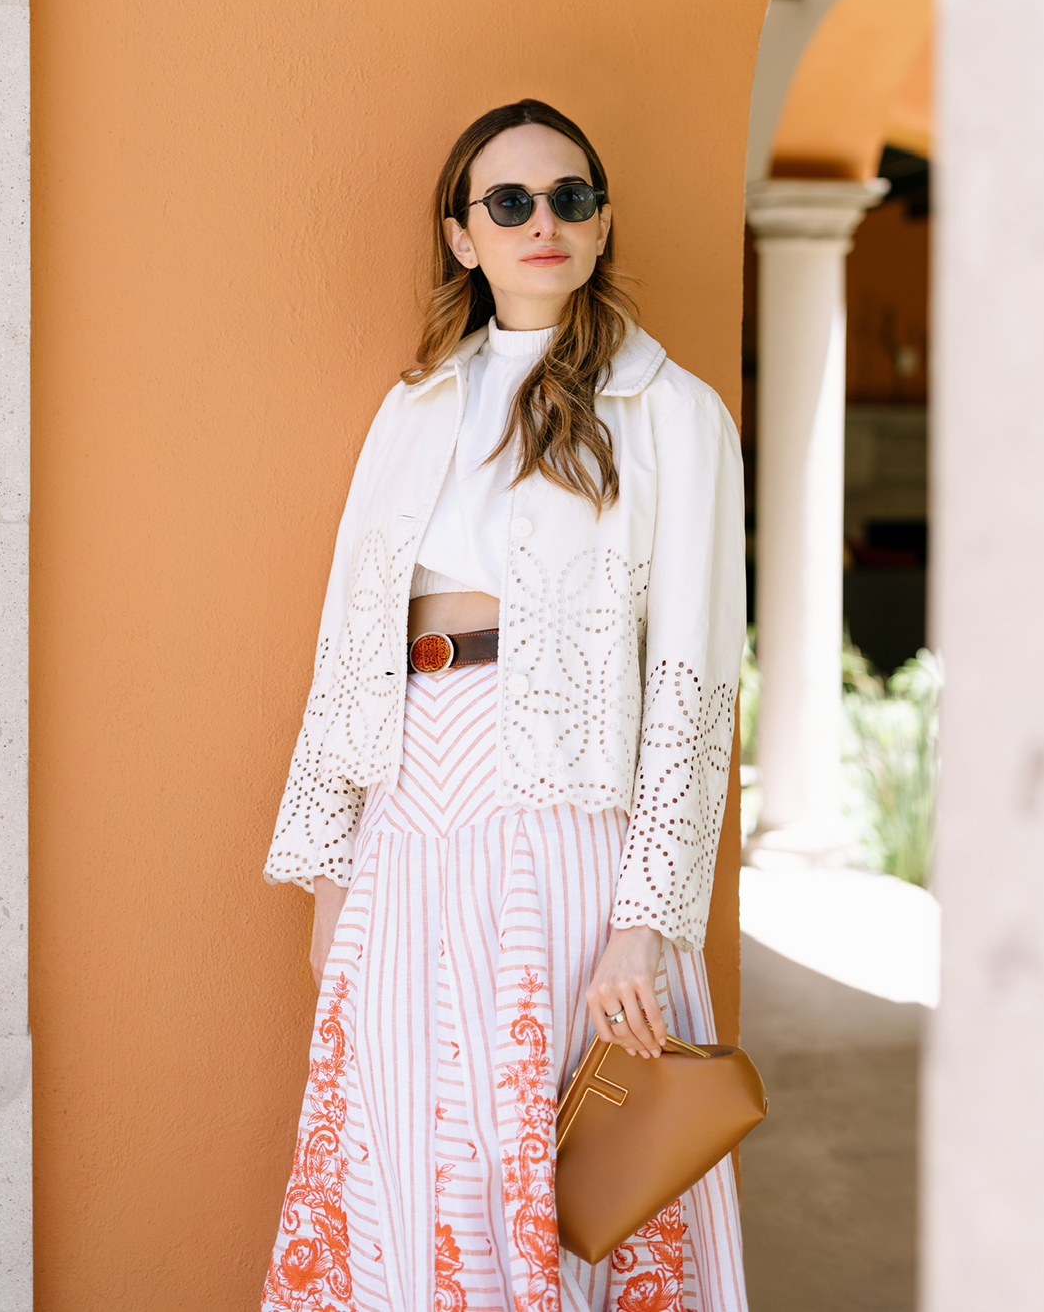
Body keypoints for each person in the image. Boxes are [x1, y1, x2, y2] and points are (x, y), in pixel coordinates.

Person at [259, 98, 747, 1312]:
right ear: (461, 235)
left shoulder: (672, 414)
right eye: (510, 202)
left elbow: (694, 682)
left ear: (600, 224)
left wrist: (648, 920)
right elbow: (351, 637)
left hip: (570, 817)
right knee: (414, 1129)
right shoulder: (415, 406)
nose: (544, 222)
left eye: (570, 198)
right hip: (411, 803)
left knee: (545, 1134)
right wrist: (330, 870)